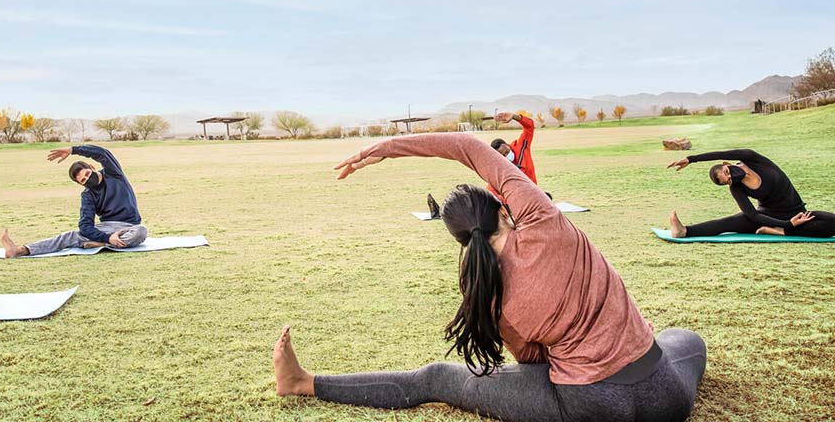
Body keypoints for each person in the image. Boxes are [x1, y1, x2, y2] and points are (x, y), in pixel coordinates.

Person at [274, 133, 707, 421]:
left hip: (589, 408)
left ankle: (302, 383)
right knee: (686, 340)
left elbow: (536, 366)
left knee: (435, 379)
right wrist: (391, 145)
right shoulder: (544, 219)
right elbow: (469, 147)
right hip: (665, 397)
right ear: (505, 209)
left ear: (461, 242)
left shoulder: (489, 293)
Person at [0, 145, 147, 257]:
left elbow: (103, 154)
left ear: (92, 167)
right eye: (83, 180)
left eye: (88, 174)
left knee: (141, 231)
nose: (88, 179)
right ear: (80, 184)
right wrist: (107, 236)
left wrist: (73, 150)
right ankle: (20, 250)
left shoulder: (114, 174)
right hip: (106, 227)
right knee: (69, 236)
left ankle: (102, 244)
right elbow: (85, 225)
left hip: (129, 226)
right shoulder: (87, 195)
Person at [667, 149, 835, 238]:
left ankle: (778, 232)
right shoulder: (736, 188)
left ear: (726, 164)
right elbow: (753, 215)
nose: (731, 176)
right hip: (769, 216)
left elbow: (720, 153)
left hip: (796, 211)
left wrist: (691, 159)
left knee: (832, 223)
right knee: (729, 222)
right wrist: (787, 224)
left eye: (727, 172)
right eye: (728, 180)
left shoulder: (752, 158)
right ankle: (684, 231)